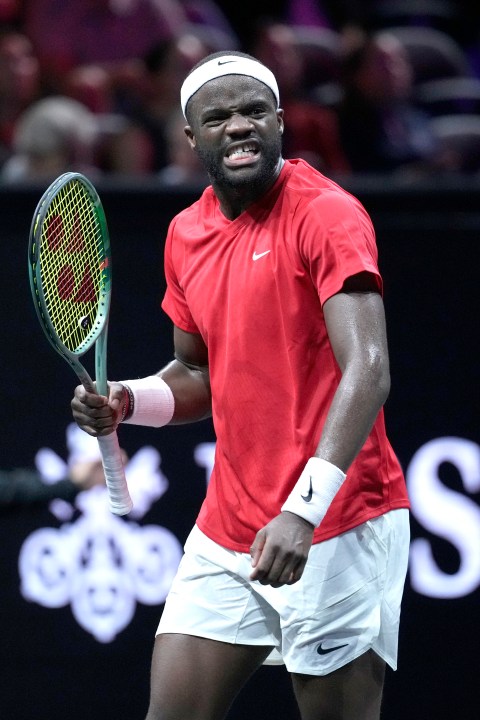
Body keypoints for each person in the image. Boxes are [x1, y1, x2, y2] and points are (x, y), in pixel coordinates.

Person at [71, 50, 410, 720]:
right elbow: (198, 374)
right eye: (218, 116)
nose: (238, 126)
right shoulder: (186, 233)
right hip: (229, 528)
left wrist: (302, 511)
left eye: (254, 111)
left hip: (336, 522)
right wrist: (129, 401)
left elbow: (369, 369)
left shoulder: (327, 216)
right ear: (190, 136)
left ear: (281, 121)